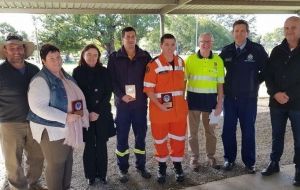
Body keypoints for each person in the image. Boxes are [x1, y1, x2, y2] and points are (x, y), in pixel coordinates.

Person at [27, 44, 89, 190]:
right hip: (52, 131)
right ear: (43, 61)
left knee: (68, 161)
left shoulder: (63, 75)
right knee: (56, 164)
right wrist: (65, 117)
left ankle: (65, 187)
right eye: (51, 58)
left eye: (58, 57)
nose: (56, 61)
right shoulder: (40, 80)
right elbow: (38, 107)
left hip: (68, 128)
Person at [220, 20, 268, 173]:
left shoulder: (257, 50)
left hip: (248, 99)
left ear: (247, 32)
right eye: (236, 31)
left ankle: (249, 162)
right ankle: (229, 159)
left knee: (248, 131)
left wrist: (255, 83)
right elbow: (217, 71)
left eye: (242, 31)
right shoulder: (226, 51)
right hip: (230, 99)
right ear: (232, 33)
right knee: (228, 130)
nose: (239, 33)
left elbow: (267, 70)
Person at [0, 33, 45, 190]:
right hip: (10, 123)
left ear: (24, 50)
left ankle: (34, 183)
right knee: (13, 160)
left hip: (35, 121)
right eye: (11, 48)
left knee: (38, 156)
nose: (16, 51)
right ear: (5, 50)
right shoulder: (1, 71)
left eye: (19, 47)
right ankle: (18, 187)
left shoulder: (34, 69)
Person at [107, 26, 152, 183]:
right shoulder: (114, 57)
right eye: (128, 36)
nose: (131, 39)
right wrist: (121, 96)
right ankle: (123, 168)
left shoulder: (145, 56)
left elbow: (151, 78)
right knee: (122, 138)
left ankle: (141, 166)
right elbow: (111, 81)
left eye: (133, 36)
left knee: (141, 138)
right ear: (123, 39)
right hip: (123, 106)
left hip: (140, 105)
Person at [144, 33, 188, 183]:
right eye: (167, 44)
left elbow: (184, 83)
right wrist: (160, 106)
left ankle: (177, 166)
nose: (170, 48)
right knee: (160, 140)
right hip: (160, 112)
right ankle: (162, 167)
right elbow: (149, 90)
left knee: (178, 139)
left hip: (179, 112)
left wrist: (182, 101)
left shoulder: (181, 62)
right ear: (161, 46)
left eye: (172, 44)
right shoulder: (153, 64)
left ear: (175, 45)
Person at [262, 16, 300, 186]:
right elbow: (268, 75)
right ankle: (274, 162)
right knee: (277, 135)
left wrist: (289, 94)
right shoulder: (277, 50)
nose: (289, 31)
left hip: (298, 103)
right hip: (277, 103)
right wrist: (275, 93)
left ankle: (299, 169)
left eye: (293, 27)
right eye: (286, 28)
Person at [72, 44, 115, 186]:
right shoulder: (77, 72)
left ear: (98, 57)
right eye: (89, 54)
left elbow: (108, 93)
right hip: (85, 114)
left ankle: (102, 174)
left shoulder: (104, 71)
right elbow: (76, 95)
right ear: (83, 55)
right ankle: (90, 175)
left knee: (102, 144)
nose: (92, 57)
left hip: (101, 113)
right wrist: (86, 113)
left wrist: (97, 111)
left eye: (95, 55)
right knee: (89, 145)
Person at [185, 33, 224, 172]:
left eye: (208, 41)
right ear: (199, 42)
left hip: (212, 103)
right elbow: (184, 81)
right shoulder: (190, 60)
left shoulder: (218, 61)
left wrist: (220, 104)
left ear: (212, 43)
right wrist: (183, 101)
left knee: (211, 132)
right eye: (202, 41)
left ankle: (211, 157)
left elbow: (220, 84)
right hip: (193, 102)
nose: (205, 44)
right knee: (192, 133)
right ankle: (194, 158)